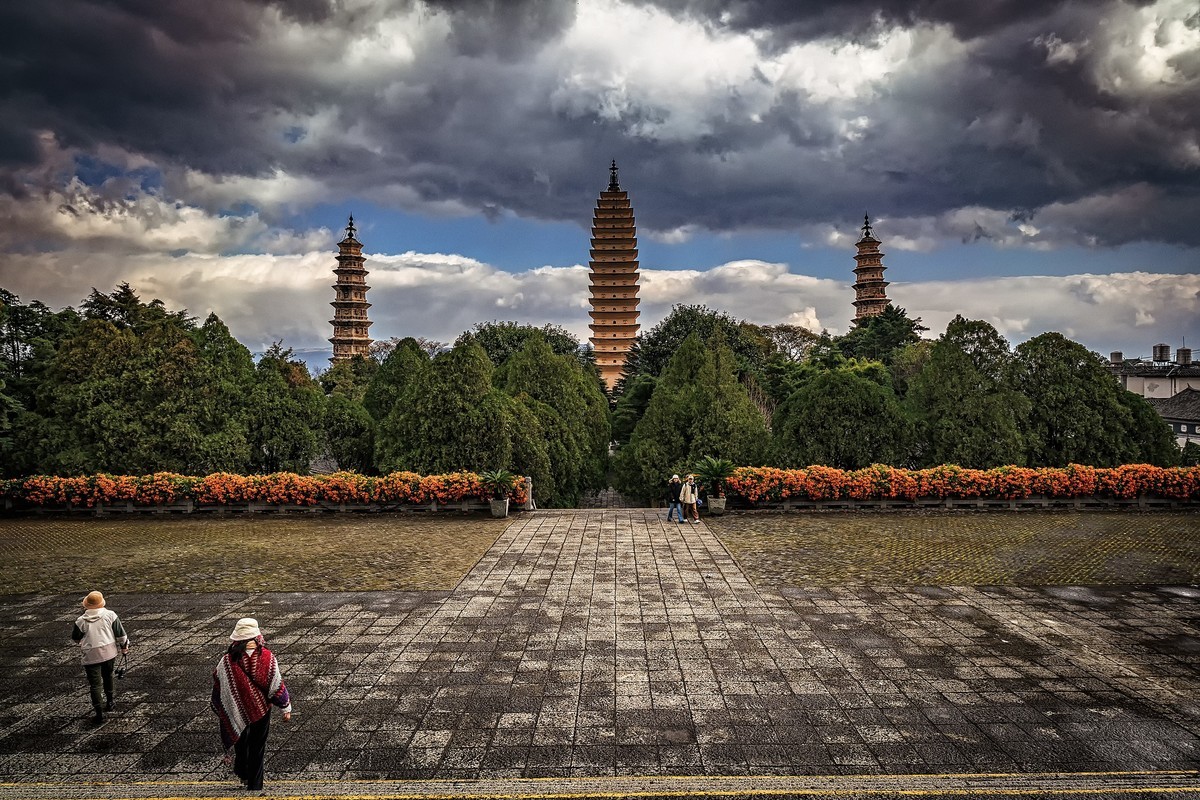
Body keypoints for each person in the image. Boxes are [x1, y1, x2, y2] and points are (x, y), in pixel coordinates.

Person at [211, 618, 292, 791]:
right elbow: (276, 685)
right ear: (257, 636)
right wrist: (285, 706)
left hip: (235, 709)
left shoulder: (226, 661)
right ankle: (255, 785)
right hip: (261, 709)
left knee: (241, 740)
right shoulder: (267, 658)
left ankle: (243, 773)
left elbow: (218, 680)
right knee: (257, 746)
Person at [71, 591, 130, 724]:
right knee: (108, 676)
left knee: (95, 685)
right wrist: (124, 647)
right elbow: (121, 635)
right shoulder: (110, 615)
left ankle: (99, 713)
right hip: (109, 652)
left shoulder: (80, 621)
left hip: (91, 656)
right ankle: (110, 702)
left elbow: (76, 638)